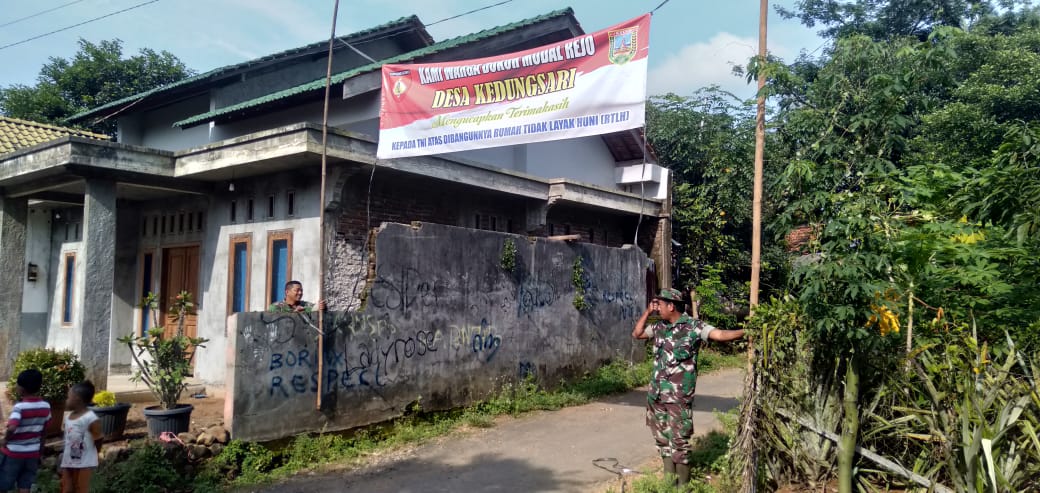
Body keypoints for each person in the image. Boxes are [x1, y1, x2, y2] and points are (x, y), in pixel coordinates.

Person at [632, 288, 745, 487]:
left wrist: (745, 331)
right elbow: (637, 333)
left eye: (659, 304)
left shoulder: (693, 327)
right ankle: (669, 483)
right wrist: (647, 312)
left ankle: (683, 487)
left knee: (679, 441)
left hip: (678, 396)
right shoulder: (659, 327)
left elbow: (719, 334)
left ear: (671, 306)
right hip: (656, 394)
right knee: (662, 438)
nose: (657, 307)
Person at [0, 369, 51, 493]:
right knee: (25, 485)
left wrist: (5, 440)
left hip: (14, 453)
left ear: (21, 389)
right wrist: (40, 451)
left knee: (3, 483)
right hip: (32, 454)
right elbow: (44, 431)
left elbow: (12, 427)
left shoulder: (20, 407)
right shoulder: (46, 406)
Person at [60, 381, 102, 493]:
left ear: (77, 399)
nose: (66, 400)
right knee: (66, 488)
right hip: (69, 461)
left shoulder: (91, 418)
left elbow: (98, 439)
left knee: (82, 488)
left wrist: (94, 454)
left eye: (69, 397)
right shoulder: (68, 417)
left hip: (85, 463)